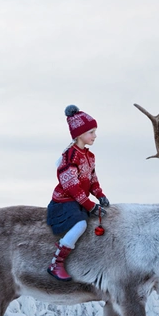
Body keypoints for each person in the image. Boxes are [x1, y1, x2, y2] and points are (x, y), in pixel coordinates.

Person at [46, 105, 110, 281]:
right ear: (79, 134)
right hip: (65, 202)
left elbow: (92, 179)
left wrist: (100, 195)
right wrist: (90, 205)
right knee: (81, 225)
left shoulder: (89, 157)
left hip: (78, 200)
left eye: (94, 131)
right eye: (91, 132)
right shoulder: (70, 156)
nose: (95, 136)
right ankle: (56, 262)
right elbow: (72, 186)